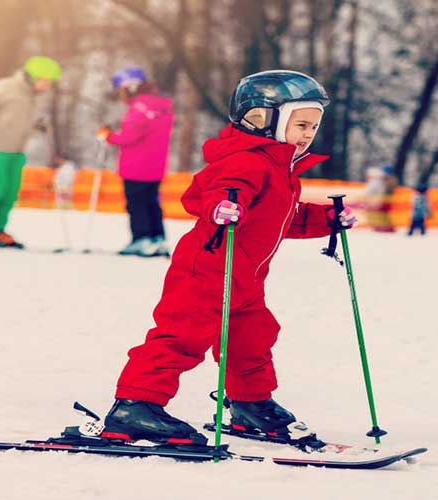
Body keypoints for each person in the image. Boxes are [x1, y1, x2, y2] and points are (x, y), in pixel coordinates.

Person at [94, 70, 357, 445]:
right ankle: (135, 406)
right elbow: (213, 191)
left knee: (251, 339)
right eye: (300, 124)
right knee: (182, 334)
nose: (307, 134)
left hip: (246, 277)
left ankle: (249, 404)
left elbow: (282, 217)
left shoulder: (281, 170)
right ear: (262, 119)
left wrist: (328, 219)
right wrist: (222, 205)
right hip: (208, 267)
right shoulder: (245, 161)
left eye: (312, 127)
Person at [0, 56, 62, 248]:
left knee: (10, 193)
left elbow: (16, 122)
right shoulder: (6, 87)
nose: (47, 86)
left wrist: (37, 127)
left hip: (16, 150)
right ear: (32, 77)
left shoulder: (31, 97)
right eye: (45, 81)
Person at [96, 66, 174, 257]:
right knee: (152, 202)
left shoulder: (139, 108)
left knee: (137, 204)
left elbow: (129, 137)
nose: (121, 96)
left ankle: (142, 239)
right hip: (155, 166)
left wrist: (108, 136)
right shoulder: (161, 106)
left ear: (131, 87)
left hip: (136, 167)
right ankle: (157, 237)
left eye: (121, 90)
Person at [364, 165, 398, 232]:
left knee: (383, 214)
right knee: (381, 214)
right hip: (382, 200)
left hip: (384, 200)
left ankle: (386, 228)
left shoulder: (388, 180)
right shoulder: (382, 181)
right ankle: (382, 227)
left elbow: (382, 191)